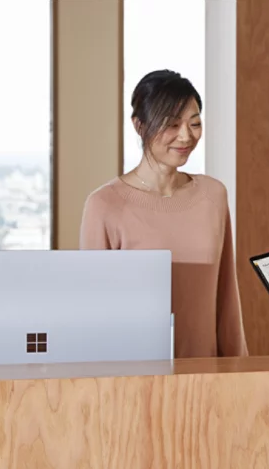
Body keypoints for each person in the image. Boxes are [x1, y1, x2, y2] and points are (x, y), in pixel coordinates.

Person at [79, 69, 248, 359]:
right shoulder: (104, 205)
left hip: (207, 379)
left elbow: (226, 299)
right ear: (139, 125)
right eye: (172, 124)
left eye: (194, 123)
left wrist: (239, 373)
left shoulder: (213, 196)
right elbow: (91, 317)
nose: (186, 136)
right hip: (132, 380)